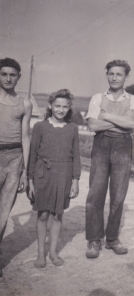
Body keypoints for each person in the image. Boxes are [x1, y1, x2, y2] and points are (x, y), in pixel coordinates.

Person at [85, 60, 134, 259]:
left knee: (118, 195)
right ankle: (93, 239)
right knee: (95, 194)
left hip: (123, 147)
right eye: (111, 73)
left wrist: (106, 116)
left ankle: (112, 239)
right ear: (107, 75)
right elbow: (92, 126)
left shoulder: (133, 99)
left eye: (119, 74)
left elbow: (132, 124)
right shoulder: (97, 98)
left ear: (126, 77)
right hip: (101, 146)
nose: (115, 77)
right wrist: (121, 123)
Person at [28, 89, 81, 268]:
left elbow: (76, 156)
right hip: (43, 175)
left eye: (64, 106)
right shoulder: (40, 127)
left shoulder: (73, 129)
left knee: (58, 215)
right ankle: (40, 254)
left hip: (64, 176)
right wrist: (30, 181)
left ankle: (52, 252)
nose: (60, 109)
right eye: (57, 106)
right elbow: (33, 155)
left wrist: (75, 180)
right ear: (50, 106)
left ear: (69, 108)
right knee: (42, 214)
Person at [0, 58, 32, 280]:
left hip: (14, 159)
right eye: (4, 74)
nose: (8, 78)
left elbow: (26, 138)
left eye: (13, 74)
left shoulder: (25, 103)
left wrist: (25, 172)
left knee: (3, 212)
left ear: (19, 76)